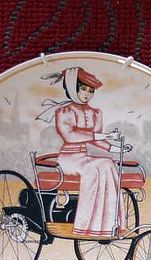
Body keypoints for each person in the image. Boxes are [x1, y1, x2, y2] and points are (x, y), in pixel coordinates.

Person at [39, 67, 124, 239]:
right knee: (93, 169)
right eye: (83, 89)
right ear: (73, 89)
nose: (87, 94)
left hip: (83, 157)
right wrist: (104, 135)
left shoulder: (95, 113)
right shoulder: (63, 112)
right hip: (68, 159)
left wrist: (117, 149)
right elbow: (70, 136)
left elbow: (97, 141)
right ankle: (84, 225)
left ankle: (105, 224)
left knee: (107, 163)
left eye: (90, 91)